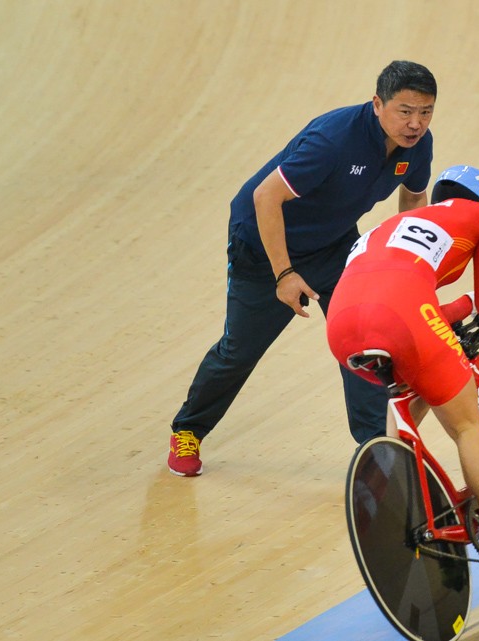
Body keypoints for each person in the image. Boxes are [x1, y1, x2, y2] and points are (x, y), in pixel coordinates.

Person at [168, 61, 437, 477]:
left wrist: (406, 266)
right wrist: (283, 274)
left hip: (333, 245)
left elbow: (414, 201)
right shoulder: (334, 140)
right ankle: (188, 429)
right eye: (405, 111)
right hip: (264, 246)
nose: (415, 124)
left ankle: (376, 449)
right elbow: (265, 198)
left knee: (366, 340)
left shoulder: (418, 145)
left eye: (425, 112)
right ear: (377, 104)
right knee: (239, 351)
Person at [325, 165, 479, 573]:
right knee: (466, 426)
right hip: (404, 319)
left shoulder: (390, 226)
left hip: (341, 330)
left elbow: (415, 308)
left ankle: (399, 494)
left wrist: (455, 307)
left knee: (411, 389)